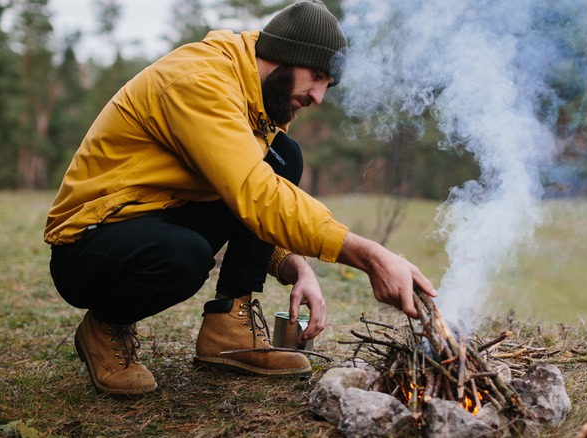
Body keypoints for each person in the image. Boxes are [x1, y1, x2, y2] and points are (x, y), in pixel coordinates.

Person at [44, 0, 436, 395]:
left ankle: (228, 326)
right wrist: (368, 255)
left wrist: (293, 263)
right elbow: (254, 193)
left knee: (284, 155)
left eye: (327, 86)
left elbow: (246, 192)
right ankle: (105, 325)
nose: (318, 96)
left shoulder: (255, 102)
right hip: (88, 242)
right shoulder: (200, 81)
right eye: (316, 76)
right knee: (184, 256)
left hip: (158, 213)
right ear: (284, 56)